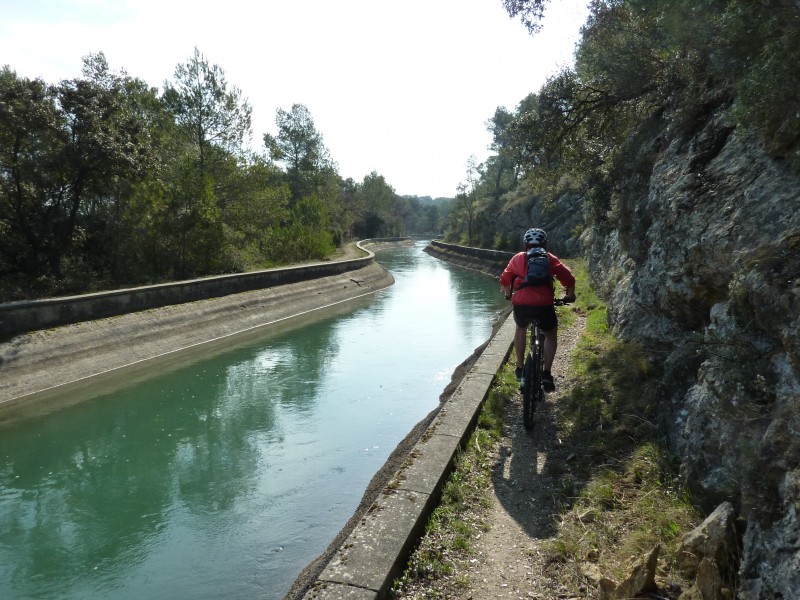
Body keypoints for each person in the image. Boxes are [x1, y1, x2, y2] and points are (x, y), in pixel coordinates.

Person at [499, 228, 576, 391]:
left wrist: (508, 294)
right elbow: (569, 278)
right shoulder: (549, 258)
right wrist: (570, 294)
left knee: (520, 329)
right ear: (545, 244)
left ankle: (520, 368)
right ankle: (547, 374)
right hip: (544, 305)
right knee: (550, 334)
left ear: (525, 244)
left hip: (521, 305)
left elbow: (505, 279)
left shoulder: (518, 258)